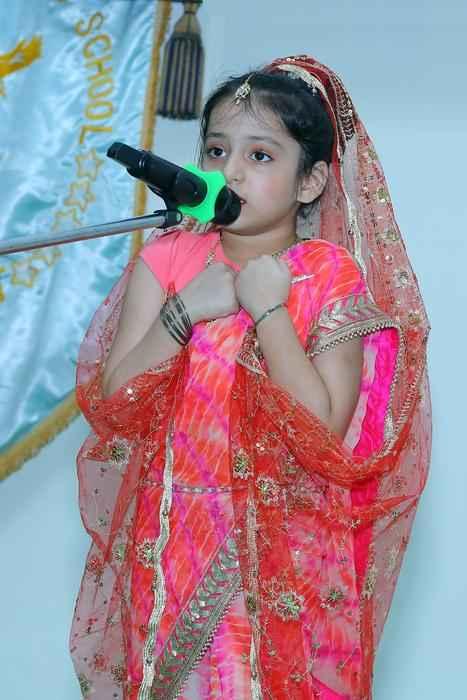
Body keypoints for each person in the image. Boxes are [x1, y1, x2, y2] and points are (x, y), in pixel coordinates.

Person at [70, 55, 431, 700]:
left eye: (260, 155)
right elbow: (114, 403)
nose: (230, 171)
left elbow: (322, 430)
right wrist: (183, 313)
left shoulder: (326, 274)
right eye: (216, 150)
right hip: (170, 538)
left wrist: (268, 311)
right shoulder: (169, 258)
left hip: (280, 552)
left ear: (310, 182)